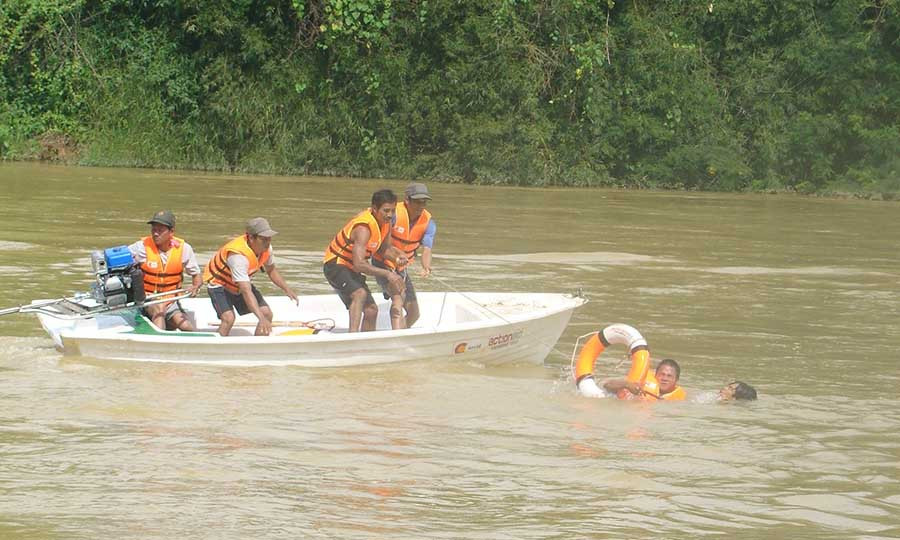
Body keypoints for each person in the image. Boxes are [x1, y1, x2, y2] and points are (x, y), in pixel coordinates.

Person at [323, 189, 407, 332]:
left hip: (352, 269)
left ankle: (366, 344)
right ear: (374, 209)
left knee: (371, 310)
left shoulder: (385, 224)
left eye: (393, 211)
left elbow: (383, 250)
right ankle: (353, 337)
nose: (390, 215)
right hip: (336, 265)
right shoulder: (364, 228)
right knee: (359, 293)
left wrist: (398, 258)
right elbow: (359, 263)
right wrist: (388, 274)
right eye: (386, 211)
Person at [203, 217, 298, 337]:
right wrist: (260, 318)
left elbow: (271, 270)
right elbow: (246, 291)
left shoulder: (266, 249)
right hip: (220, 285)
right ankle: (214, 349)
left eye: (269, 238)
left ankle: (258, 347)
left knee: (267, 314)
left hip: (239, 284)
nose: (267, 242)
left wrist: (287, 289)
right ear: (251, 238)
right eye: (263, 239)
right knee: (228, 319)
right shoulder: (238, 257)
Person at [371, 182, 437, 328]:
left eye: (424, 202)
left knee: (414, 313)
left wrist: (426, 267)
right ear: (407, 200)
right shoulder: (392, 214)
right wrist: (395, 257)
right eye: (417, 202)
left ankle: (399, 336)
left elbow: (427, 249)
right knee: (398, 297)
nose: (421, 206)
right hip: (383, 262)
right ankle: (397, 337)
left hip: (402, 267)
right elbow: (382, 245)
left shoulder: (429, 222)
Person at [128, 210, 203, 331]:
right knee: (159, 311)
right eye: (153, 229)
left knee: (185, 325)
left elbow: (197, 275)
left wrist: (195, 287)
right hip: (147, 298)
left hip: (170, 299)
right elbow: (119, 259)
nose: (155, 234)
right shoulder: (141, 247)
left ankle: (196, 346)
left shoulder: (184, 249)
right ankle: (159, 345)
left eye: (160, 230)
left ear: (171, 232)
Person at [603, 358, 687, 401]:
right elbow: (607, 385)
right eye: (662, 374)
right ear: (655, 375)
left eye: (669, 376)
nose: (664, 378)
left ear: (676, 380)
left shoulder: (678, 399)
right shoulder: (639, 384)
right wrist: (627, 385)